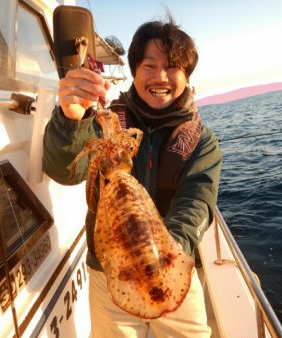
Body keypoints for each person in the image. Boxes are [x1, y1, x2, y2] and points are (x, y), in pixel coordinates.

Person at [43, 15, 222, 338]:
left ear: (186, 74)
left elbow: (197, 203)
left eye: (172, 67)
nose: (161, 76)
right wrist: (71, 118)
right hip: (109, 272)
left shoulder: (201, 141)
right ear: (135, 71)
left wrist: (162, 255)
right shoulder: (107, 121)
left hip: (173, 266)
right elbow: (64, 170)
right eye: (149, 66)